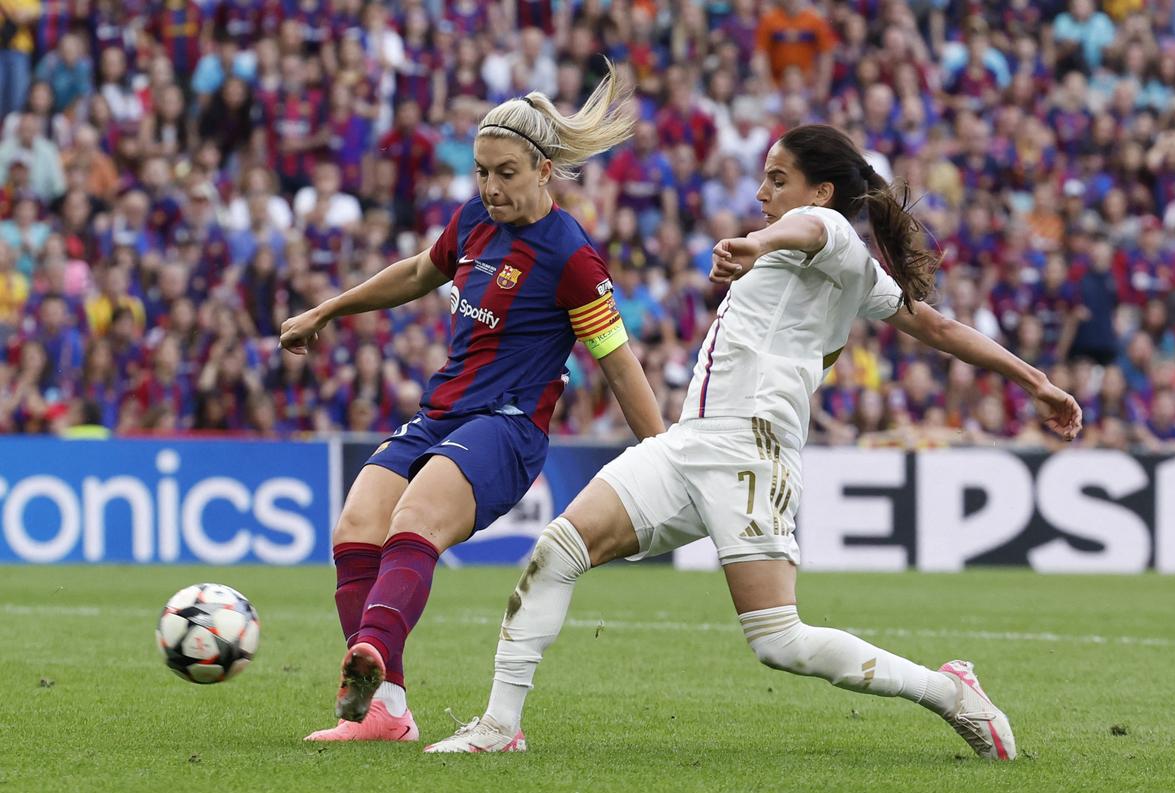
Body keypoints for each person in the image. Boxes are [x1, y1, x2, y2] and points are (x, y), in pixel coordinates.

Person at [425, 125, 1083, 758]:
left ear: (821, 191)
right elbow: (938, 327)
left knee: (779, 641)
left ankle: (949, 691)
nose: (763, 193)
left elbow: (806, 231)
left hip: (749, 452)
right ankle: (499, 725)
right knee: (559, 549)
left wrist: (757, 243)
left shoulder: (824, 231)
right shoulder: (852, 270)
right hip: (690, 445)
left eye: (778, 179)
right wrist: (1035, 380)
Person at [279, 65, 665, 743]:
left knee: (415, 518)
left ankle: (369, 654)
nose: (490, 187)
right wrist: (327, 310)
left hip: (506, 427)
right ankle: (385, 711)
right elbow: (415, 273)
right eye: (482, 172)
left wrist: (667, 459)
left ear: (544, 170)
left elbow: (619, 366)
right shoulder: (473, 223)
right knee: (355, 527)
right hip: (441, 414)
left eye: (507, 173)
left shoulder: (573, 257)